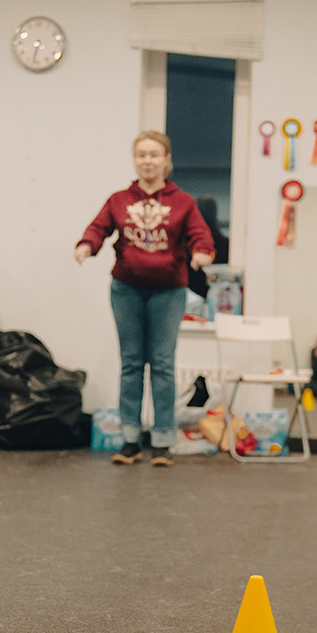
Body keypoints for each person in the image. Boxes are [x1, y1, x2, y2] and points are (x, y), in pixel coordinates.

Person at [74, 130, 214, 467]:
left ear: (166, 161)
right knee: (132, 364)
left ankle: (163, 441)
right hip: (127, 290)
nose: (147, 161)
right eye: (141, 155)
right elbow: (99, 227)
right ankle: (130, 440)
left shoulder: (183, 202)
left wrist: (202, 252)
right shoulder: (119, 200)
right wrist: (87, 245)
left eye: (154, 155)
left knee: (162, 365)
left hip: (169, 292)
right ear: (135, 160)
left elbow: (200, 235)